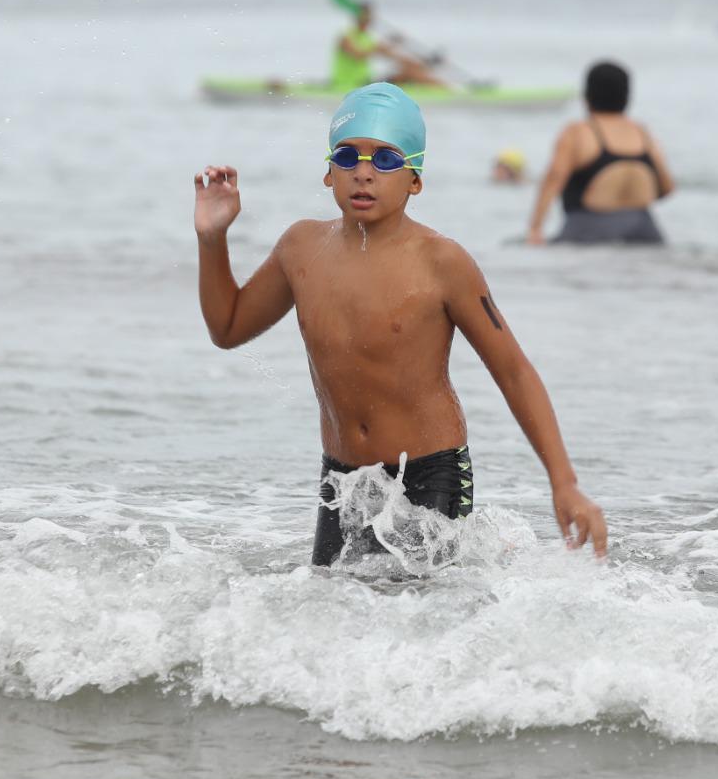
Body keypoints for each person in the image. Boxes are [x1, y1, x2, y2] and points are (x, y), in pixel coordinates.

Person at [194, 82, 607, 565]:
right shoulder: (301, 249)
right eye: (348, 157)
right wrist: (212, 239)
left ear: (414, 179)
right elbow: (228, 328)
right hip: (343, 480)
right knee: (329, 615)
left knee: (423, 623)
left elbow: (513, 371)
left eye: (386, 160)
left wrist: (564, 482)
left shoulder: (443, 263)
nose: (364, 174)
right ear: (328, 173)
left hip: (431, 476)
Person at [525, 61, 674, 244]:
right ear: (627, 97)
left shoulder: (577, 132)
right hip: (645, 230)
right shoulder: (643, 134)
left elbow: (554, 178)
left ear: (587, 96)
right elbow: (667, 188)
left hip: (587, 229)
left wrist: (535, 228)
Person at [332, 1, 444, 92]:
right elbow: (357, 54)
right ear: (357, 17)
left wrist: (426, 62)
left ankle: (447, 88)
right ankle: (449, 92)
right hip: (349, 85)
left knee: (410, 69)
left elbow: (397, 58)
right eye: (366, 16)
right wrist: (380, 47)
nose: (369, 20)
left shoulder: (369, 39)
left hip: (367, 83)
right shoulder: (346, 37)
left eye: (370, 16)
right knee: (408, 73)